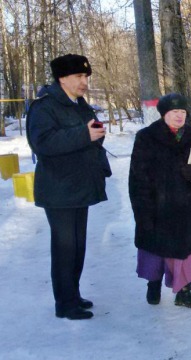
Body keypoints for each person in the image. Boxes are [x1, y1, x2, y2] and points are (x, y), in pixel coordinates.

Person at [26, 54, 111, 320]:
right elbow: (43, 143)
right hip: (58, 189)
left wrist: (95, 133)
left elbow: (87, 132)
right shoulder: (45, 106)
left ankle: (72, 294)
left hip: (79, 187)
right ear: (62, 78)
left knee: (78, 246)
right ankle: (64, 303)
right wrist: (84, 134)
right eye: (79, 76)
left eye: (86, 76)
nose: (84, 81)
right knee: (65, 248)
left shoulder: (79, 103)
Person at [129, 93, 191, 308]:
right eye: (174, 112)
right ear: (163, 114)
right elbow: (137, 178)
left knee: (184, 252)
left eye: (183, 112)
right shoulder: (146, 137)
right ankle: (153, 282)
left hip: (188, 205)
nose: (180, 116)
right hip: (157, 205)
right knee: (155, 251)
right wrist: (142, 212)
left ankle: (184, 292)